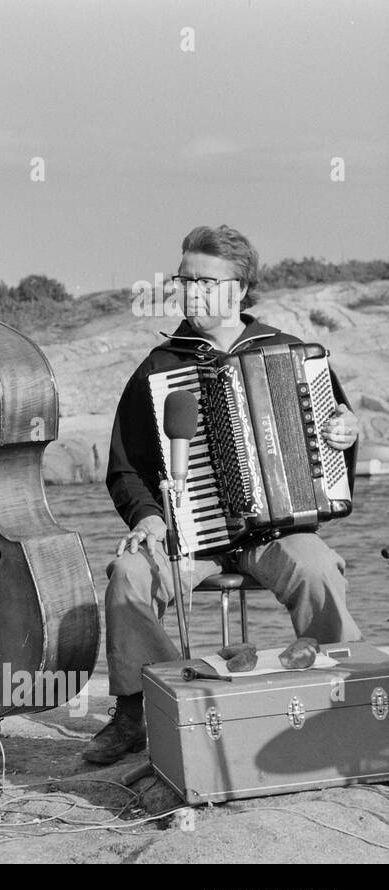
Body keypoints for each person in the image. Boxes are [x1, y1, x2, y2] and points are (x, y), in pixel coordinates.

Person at [87, 224, 363, 764]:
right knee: (130, 575)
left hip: (278, 530)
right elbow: (126, 469)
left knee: (318, 568)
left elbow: (334, 435)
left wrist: (345, 434)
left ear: (238, 289)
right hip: (188, 538)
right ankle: (147, 707)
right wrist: (146, 518)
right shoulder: (160, 367)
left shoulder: (289, 352)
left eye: (202, 281)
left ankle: (341, 698)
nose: (188, 292)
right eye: (182, 280)